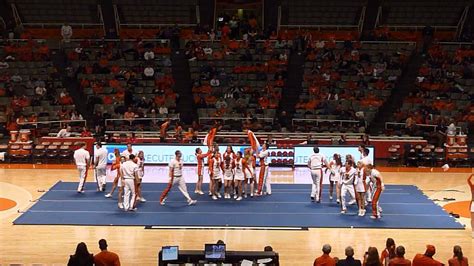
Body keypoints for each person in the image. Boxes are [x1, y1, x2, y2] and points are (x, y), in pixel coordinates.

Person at [468, 174, 474, 238]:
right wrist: (472, 175)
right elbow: (468, 180)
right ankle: (473, 231)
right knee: (473, 219)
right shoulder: (472, 187)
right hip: (473, 203)